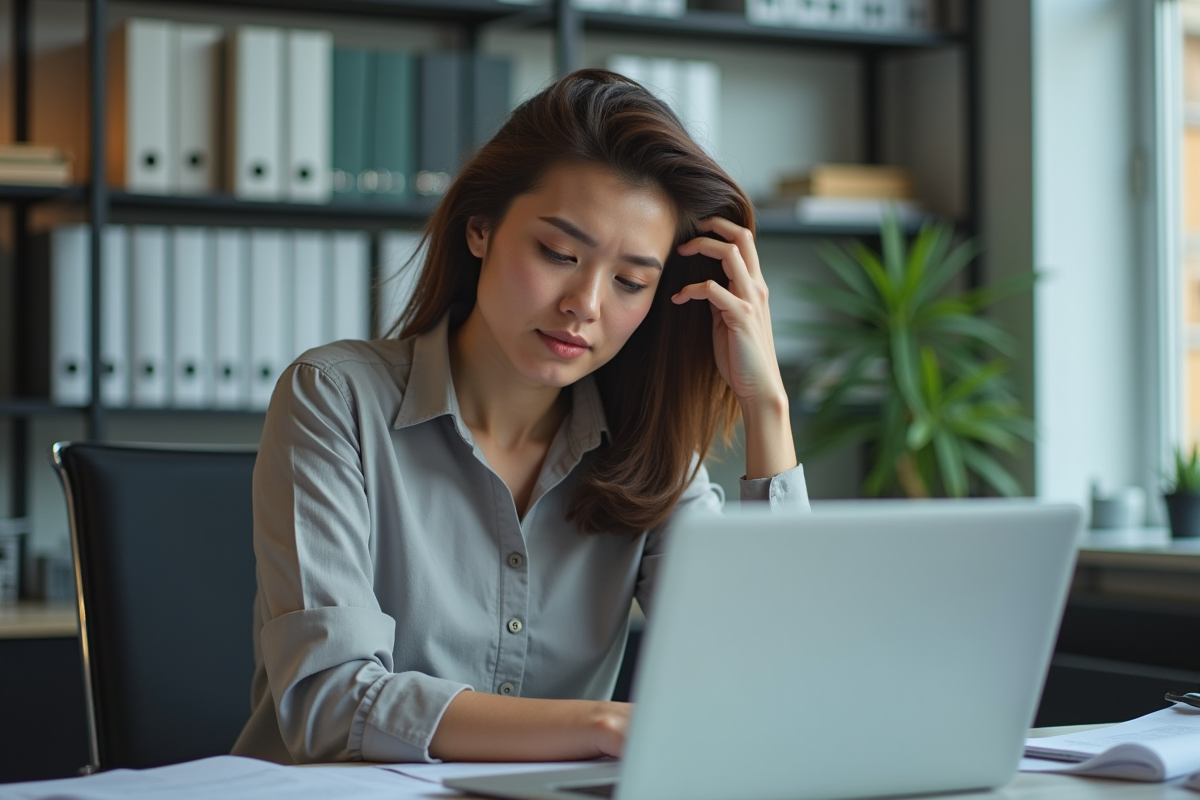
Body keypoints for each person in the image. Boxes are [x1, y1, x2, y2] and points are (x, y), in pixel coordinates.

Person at [231, 68, 809, 766]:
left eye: (631, 281)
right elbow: (328, 701)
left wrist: (766, 404)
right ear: (481, 229)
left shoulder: (648, 448)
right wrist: (598, 727)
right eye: (559, 254)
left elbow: (774, 677)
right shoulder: (334, 399)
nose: (586, 304)